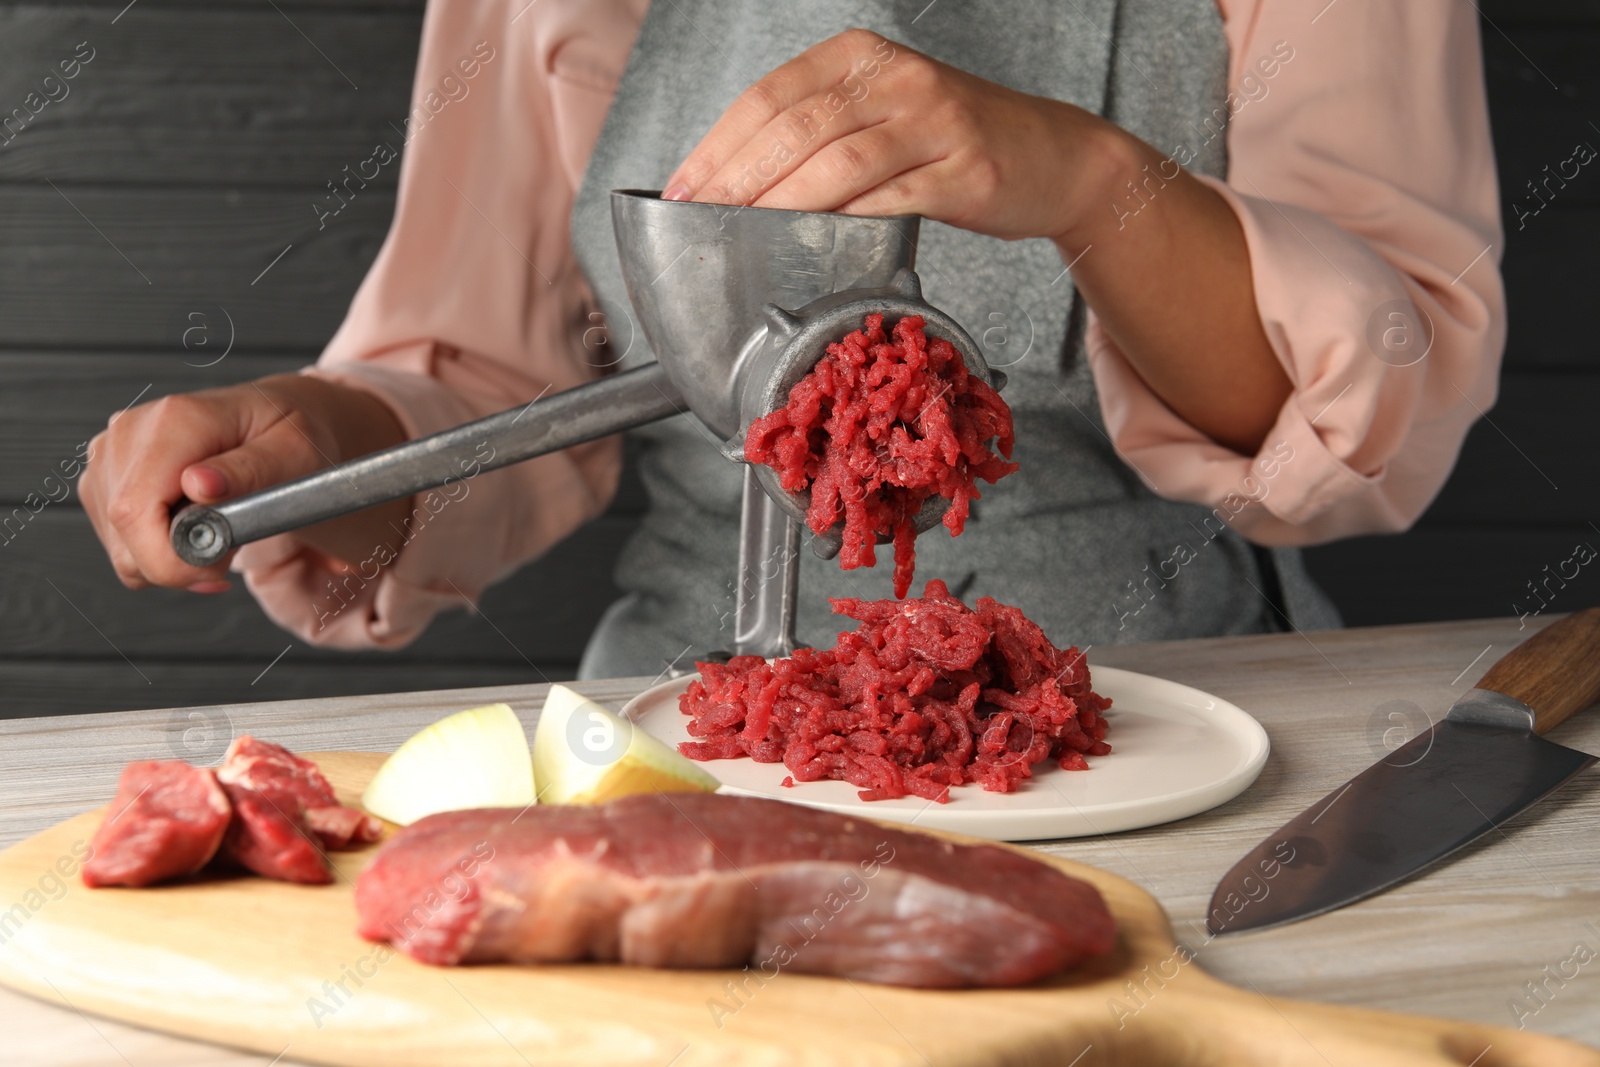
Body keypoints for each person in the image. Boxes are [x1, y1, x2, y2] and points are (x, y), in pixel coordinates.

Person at [80, 0, 1503, 679]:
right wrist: (309, 453)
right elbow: (487, 382)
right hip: (689, 710)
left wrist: (1084, 183)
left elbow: (1346, 410)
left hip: (1162, 704)